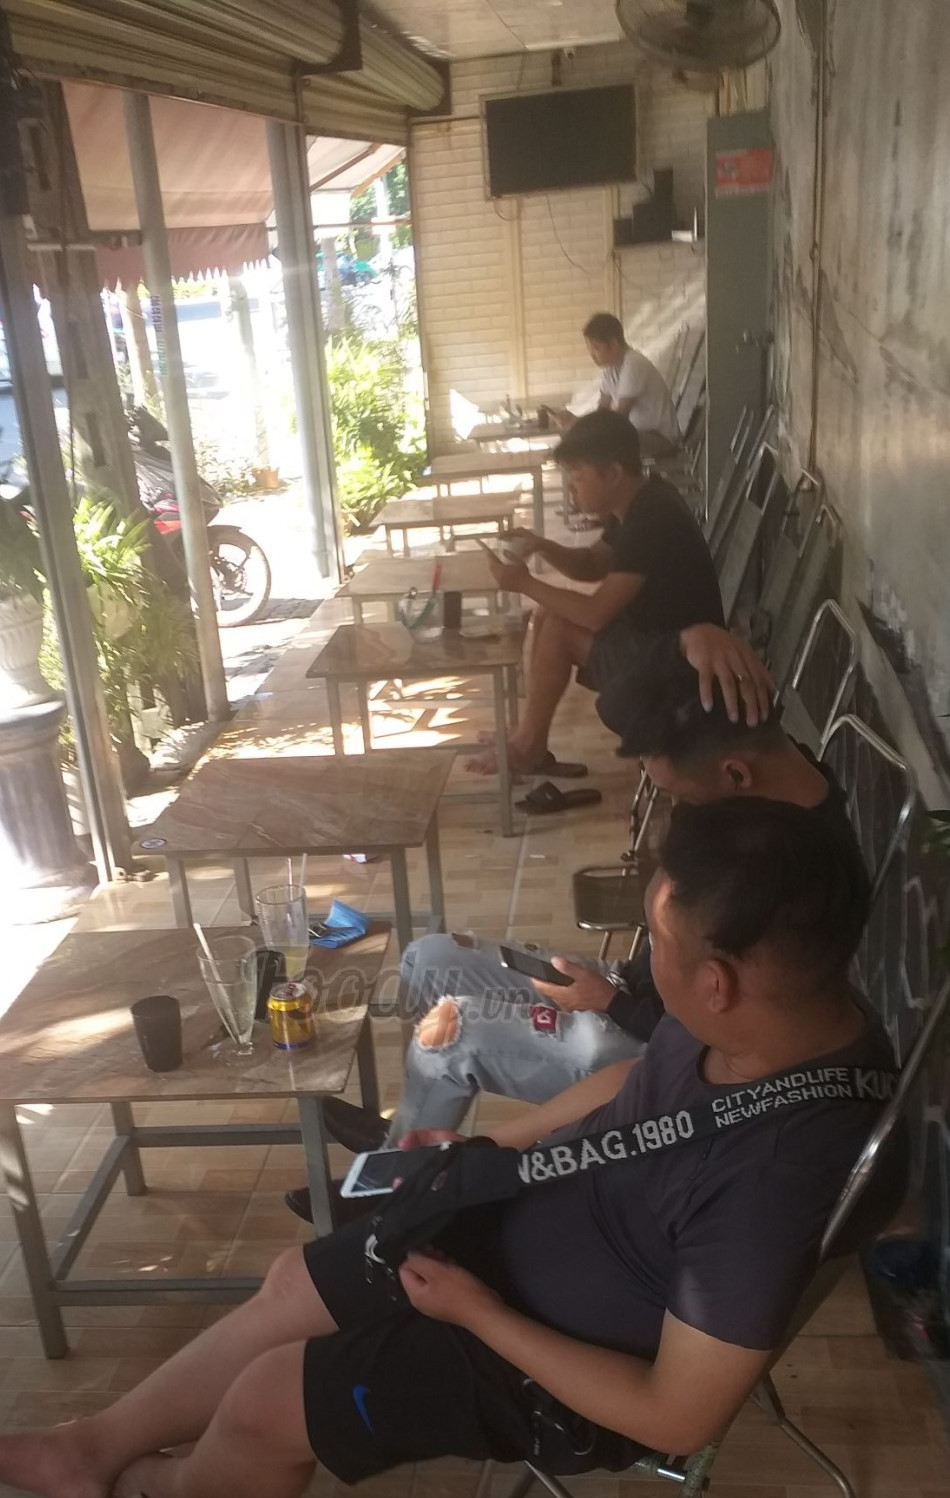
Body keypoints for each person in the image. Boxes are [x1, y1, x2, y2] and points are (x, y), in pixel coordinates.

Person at [0, 801, 901, 1498]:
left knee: (267, 1400)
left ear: (719, 981)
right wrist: (483, 1152)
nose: (646, 962)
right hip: (532, 1220)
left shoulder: (776, 1180)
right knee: (295, 1283)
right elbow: (633, 1080)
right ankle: (91, 1448)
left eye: (657, 940)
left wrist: (477, 1314)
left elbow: (677, 1416)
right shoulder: (776, 1012)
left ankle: (166, 1492)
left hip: (553, 1364)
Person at [302, 640, 854, 1172]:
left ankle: (398, 1181)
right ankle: (411, 1137)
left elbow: (708, 1037)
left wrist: (609, 1004)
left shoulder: (786, 884)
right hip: (631, 990)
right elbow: (622, 677)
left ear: (735, 774)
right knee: (428, 959)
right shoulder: (773, 783)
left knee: (449, 1036)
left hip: (650, 1047)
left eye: (682, 795)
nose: (679, 809)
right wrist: (688, 638)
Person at [469, 411, 749, 789]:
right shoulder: (640, 500)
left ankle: (527, 747)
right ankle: (527, 738)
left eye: (577, 477)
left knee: (558, 629)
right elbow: (592, 565)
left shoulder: (651, 520)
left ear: (613, 473)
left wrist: (522, 583)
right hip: (663, 642)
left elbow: (596, 614)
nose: (572, 490)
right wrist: (540, 545)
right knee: (549, 617)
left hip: (681, 663)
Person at [556, 312, 680, 458]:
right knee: (586, 440)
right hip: (638, 435)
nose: (592, 355)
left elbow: (619, 419)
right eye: (590, 349)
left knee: (596, 445)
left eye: (596, 348)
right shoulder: (611, 368)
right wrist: (577, 421)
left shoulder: (633, 364)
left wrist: (581, 427)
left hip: (658, 439)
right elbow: (602, 411)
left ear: (613, 344)